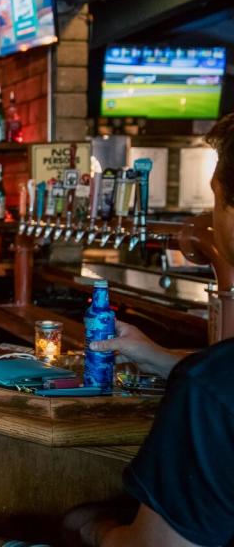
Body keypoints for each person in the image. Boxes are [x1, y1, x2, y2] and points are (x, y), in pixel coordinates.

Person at [64, 114, 234, 547]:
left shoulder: (208, 391)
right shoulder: (210, 382)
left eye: (214, 198)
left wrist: (93, 529)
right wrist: (157, 356)